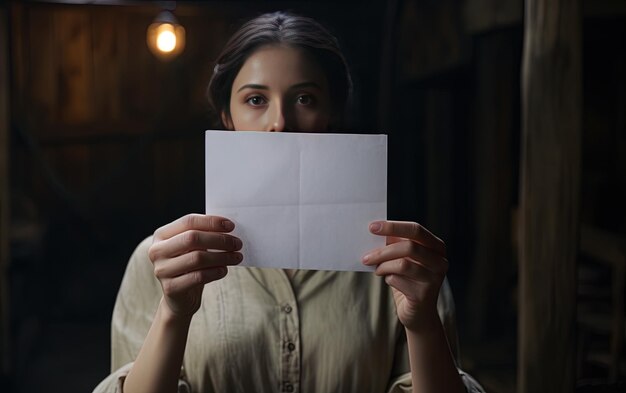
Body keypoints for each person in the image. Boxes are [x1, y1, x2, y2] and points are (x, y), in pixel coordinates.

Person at [93, 11, 484, 393]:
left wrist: (423, 325)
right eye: (256, 99)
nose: (280, 122)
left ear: (330, 113)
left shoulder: (403, 265)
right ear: (228, 117)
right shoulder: (162, 260)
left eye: (304, 97)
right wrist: (173, 313)